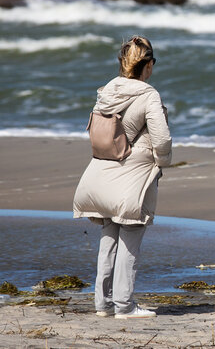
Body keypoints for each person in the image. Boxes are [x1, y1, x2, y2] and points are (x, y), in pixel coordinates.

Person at [73, 35, 172, 319]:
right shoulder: (148, 94)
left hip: (100, 173)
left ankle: (103, 304)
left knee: (109, 236)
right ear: (148, 65)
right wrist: (162, 162)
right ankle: (125, 306)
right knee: (131, 235)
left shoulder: (106, 92)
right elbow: (162, 138)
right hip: (132, 176)